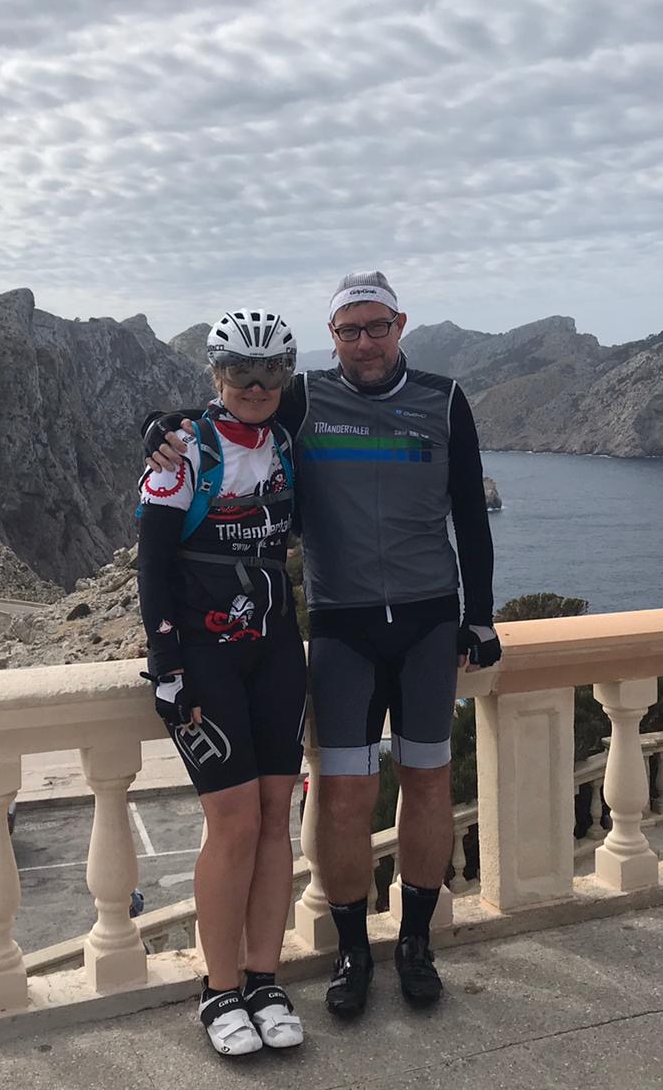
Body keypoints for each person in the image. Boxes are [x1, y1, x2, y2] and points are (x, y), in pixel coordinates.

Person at [144, 271, 500, 1020]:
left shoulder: (444, 399)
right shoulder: (303, 397)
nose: (364, 342)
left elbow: (470, 509)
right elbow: (229, 408)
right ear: (331, 337)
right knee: (343, 798)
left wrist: (481, 616)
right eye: (349, 330)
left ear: (400, 325)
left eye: (377, 327)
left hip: (430, 621)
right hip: (342, 625)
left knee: (429, 784)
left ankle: (415, 944)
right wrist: (156, 426)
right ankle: (351, 953)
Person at [136, 308, 309, 1057]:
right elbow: (151, 565)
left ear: (286, 376)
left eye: (271, 371)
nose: (256, 385)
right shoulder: (182, 453)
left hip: (277, 651)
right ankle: (219, 988)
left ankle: (265, 980)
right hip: (204, 658)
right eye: (240, 371)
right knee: (234, 822)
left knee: (276, 819)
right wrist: (166, 663)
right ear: (216, 374)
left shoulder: (286, 440)